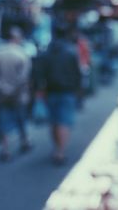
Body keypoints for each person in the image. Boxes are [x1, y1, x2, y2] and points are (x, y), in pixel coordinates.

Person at [0, 27, 32, 161]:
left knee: (3, 121)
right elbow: (24, 76)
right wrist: (13, 88)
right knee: (21, 118)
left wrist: (3, 87)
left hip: (2, 94)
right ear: (17, 38)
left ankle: (5, 150)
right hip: (19, 94)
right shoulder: (22, 53)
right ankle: (24, 142)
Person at [40, 24, 82, 165]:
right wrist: (78, 91)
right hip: (67, 92)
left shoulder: (47, 52)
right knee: (64, 121)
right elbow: (77, 74)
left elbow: (41, 73)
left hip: (51, 91)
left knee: (54, 121)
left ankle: (56, 148)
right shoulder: (71, 52)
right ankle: (60, 152)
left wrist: (41, 90)